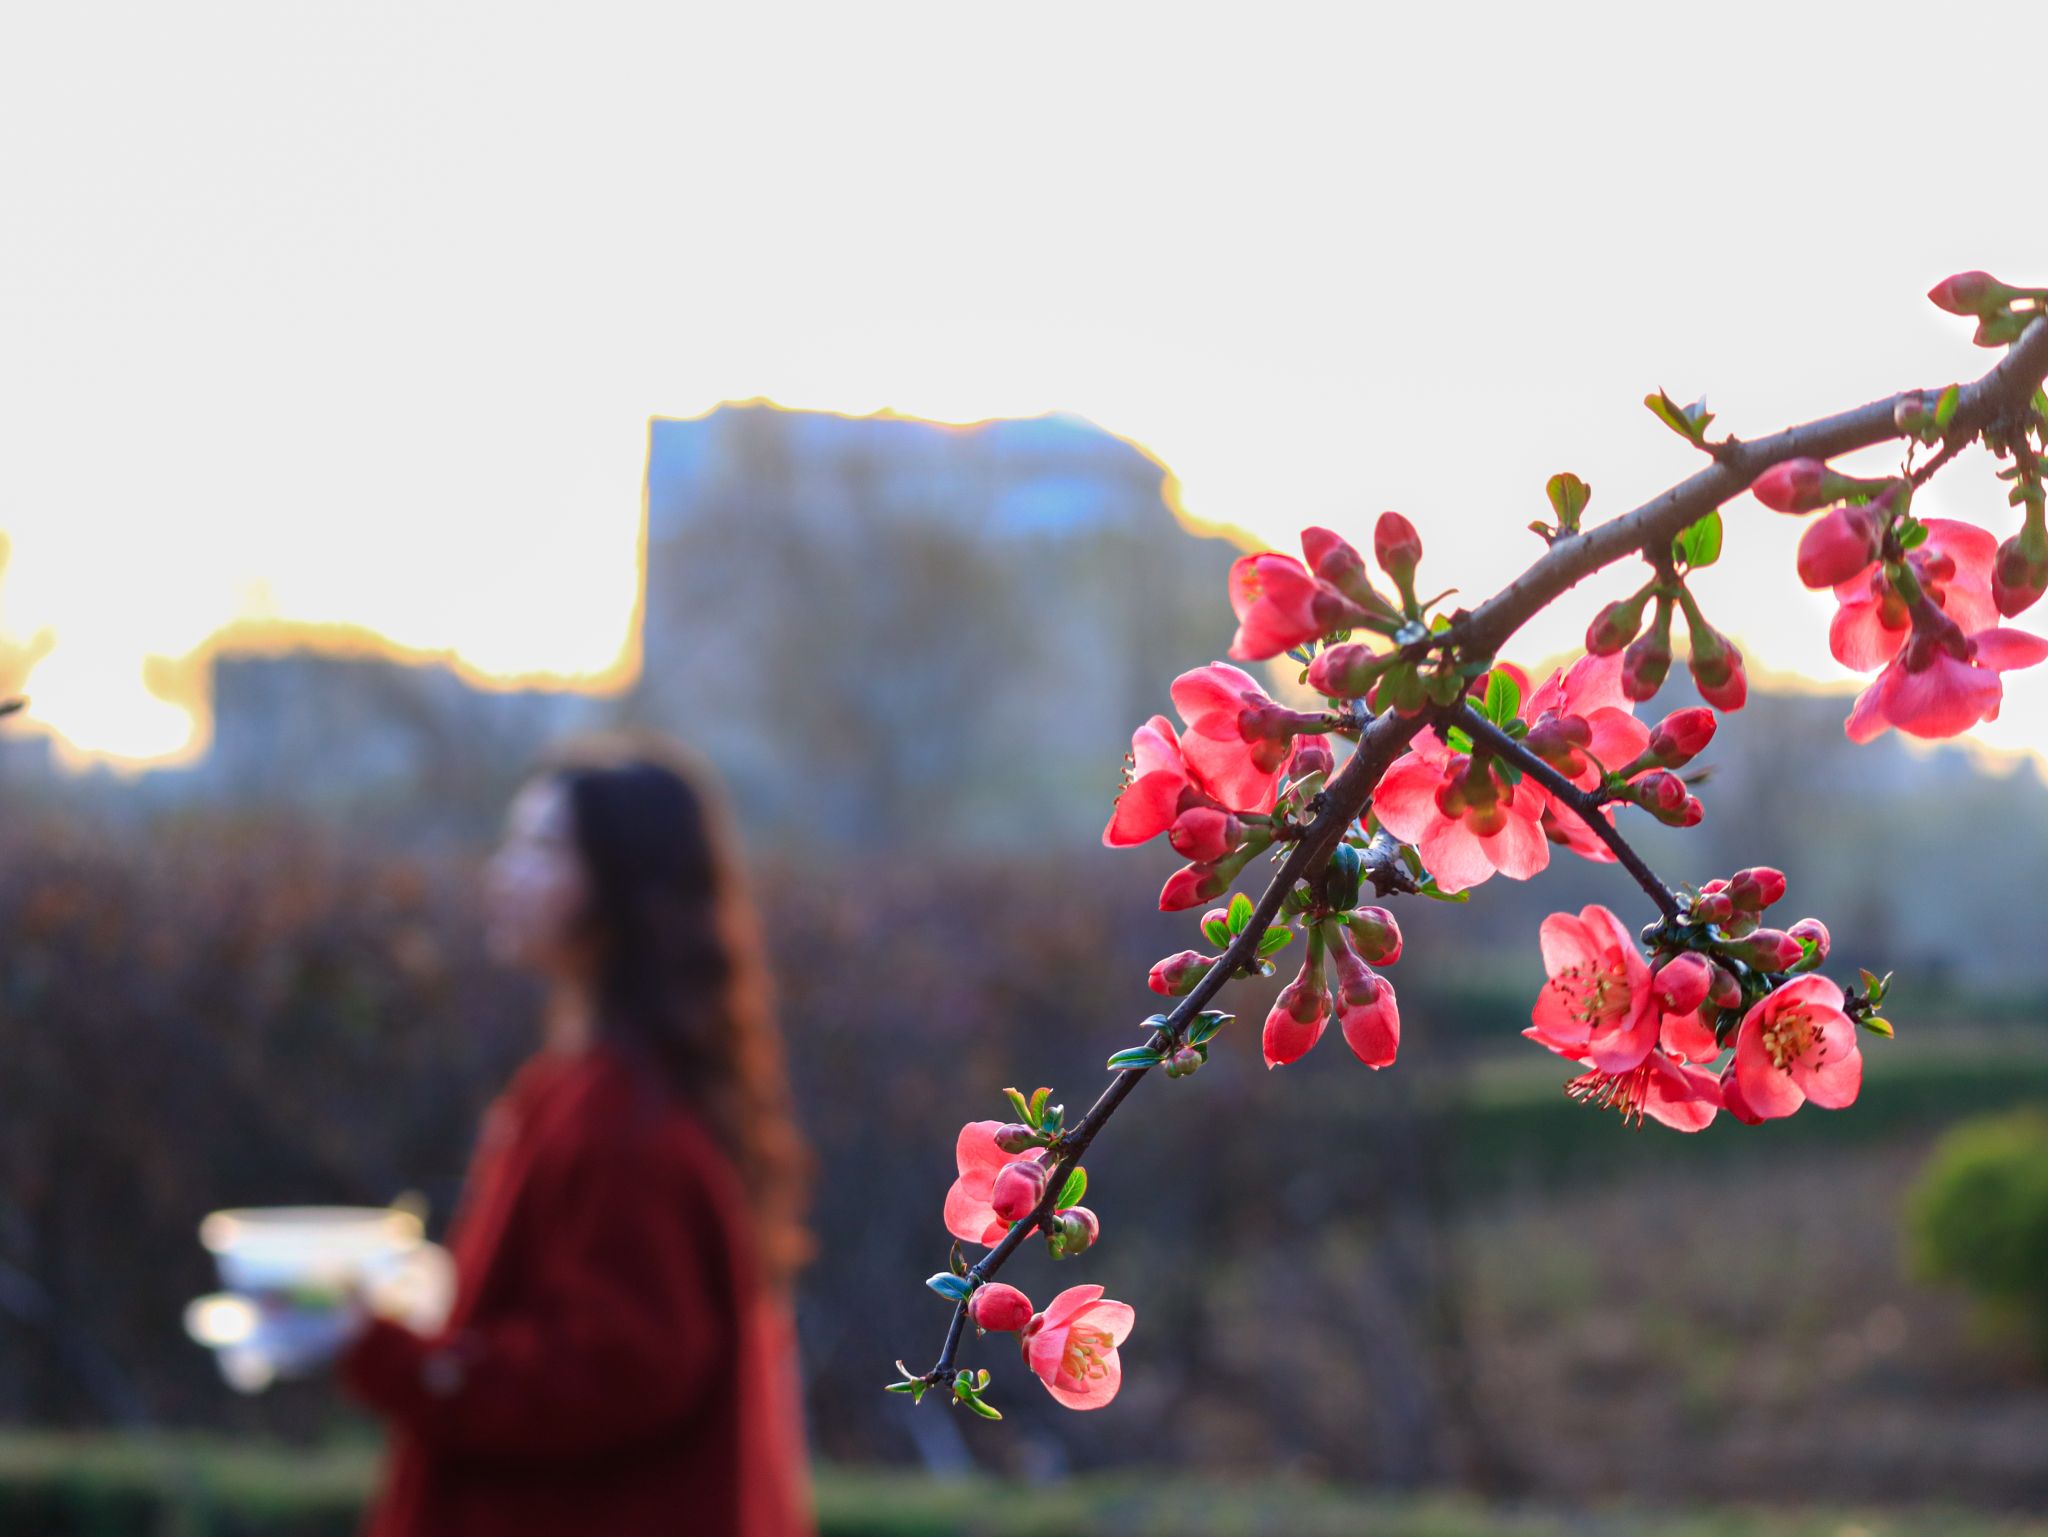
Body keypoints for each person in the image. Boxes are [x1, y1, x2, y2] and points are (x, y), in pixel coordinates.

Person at [336, 732, 815, 1536]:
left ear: (623, 886)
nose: (503, 873)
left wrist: (396, 1358)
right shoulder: (588, 1089)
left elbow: (619, 1366)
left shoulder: (619, 1118)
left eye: (542, 848)